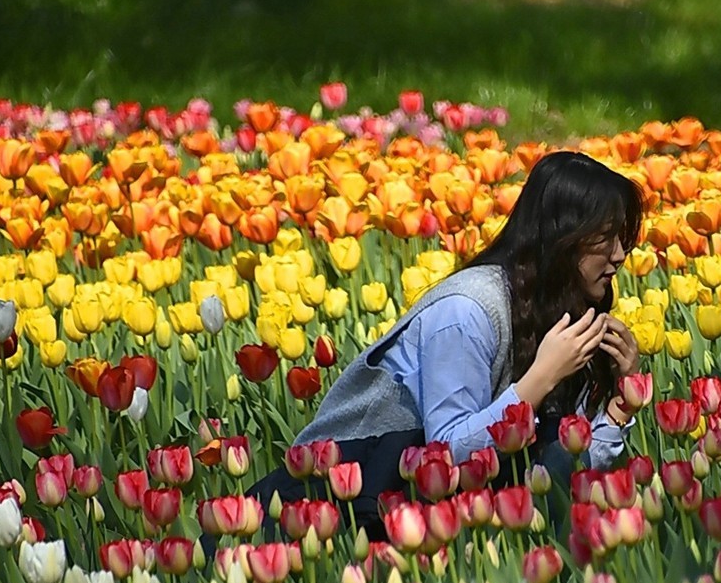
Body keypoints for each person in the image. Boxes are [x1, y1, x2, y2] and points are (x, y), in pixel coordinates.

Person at [248, 150, 644, 537]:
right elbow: (449, 452)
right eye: (605, 237)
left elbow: (558, 474)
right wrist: (538, 380)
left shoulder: (549, 312)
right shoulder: (467, 310)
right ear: (562, 237)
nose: (620, 254)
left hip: (414, 519)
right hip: (329, 507)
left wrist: (619, 405)